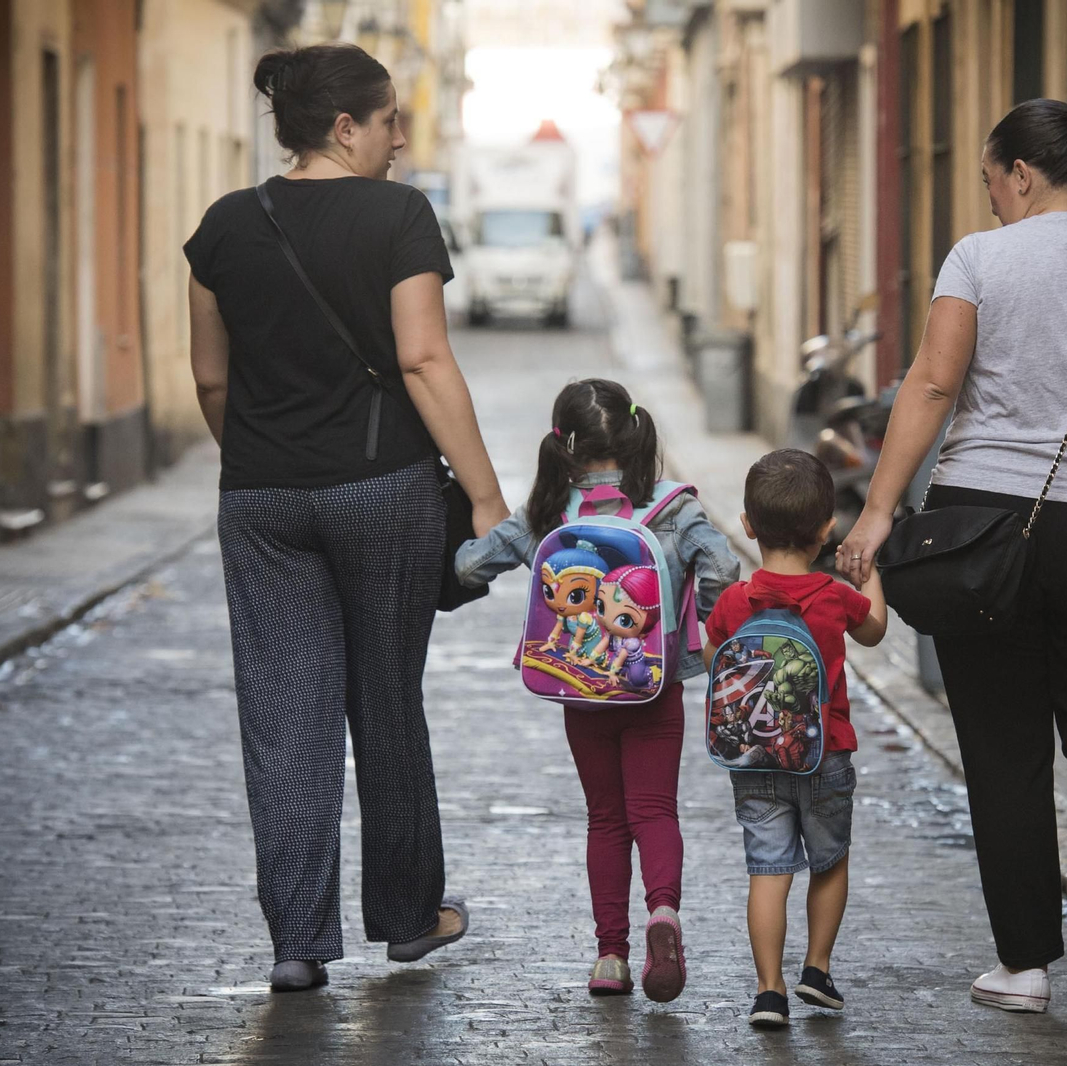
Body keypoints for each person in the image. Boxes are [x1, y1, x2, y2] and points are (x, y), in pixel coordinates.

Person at [837, 98, 1067, 1019]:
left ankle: (1026, 965)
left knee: (1005, 745)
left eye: (993, 179)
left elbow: (935, 381)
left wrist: (877, 513)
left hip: (987, 525)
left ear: (1022, 174)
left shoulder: (980, 260)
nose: (991, 197)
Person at [183, 43, 509, 992]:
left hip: (259, 497)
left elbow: (211, 379)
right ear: (345, 128)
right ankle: (409, 919)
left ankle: (295, 943)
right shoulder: (400, 215)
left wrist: (265, 456)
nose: (403, 139)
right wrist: (486, 497)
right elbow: (423, 360)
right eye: (391, 121)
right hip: (384, 491)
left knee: (285, 719)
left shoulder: (222, 227)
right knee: (385, 698)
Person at [455, 378, 741, 1002]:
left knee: (605, 819)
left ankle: (610, 956)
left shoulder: (546, 517)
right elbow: (723, 566)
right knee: (655, 810)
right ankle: (663, 915)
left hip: (582, 691)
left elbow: (471, 565)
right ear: (636, 437)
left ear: (562, 447)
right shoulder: (673, 509)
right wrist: (706, 638)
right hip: (654, 686)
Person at [704, 449, 888, 1030]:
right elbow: (876, 631)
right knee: (829, 862)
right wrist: (870, 573)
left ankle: (769, 992)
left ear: (749, 526)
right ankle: (817, 969)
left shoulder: (736, 600)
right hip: (825, 754)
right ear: (827, 528)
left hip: (755, 757)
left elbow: (713, 658)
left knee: (768, 870)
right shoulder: (833, 598)